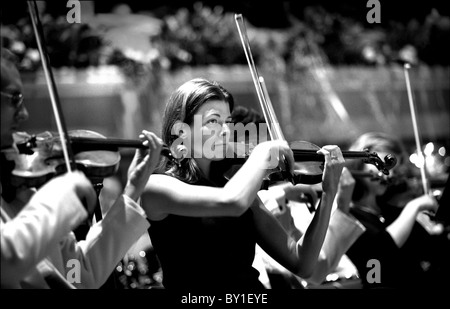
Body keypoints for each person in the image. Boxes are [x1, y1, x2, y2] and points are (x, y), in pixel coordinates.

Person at [140, 78, 345, 289]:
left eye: (228, 122)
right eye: (213, 121)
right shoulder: (156, 187)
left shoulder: (237, 188)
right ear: (181, 131)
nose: (226, 131)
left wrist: (329, 194)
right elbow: (231, 202)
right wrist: (261, 154)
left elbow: (303, 263)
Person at [1, 47, 162, 289]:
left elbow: (81, 274)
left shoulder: (22, 191)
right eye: (14, 99)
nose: (24, 114)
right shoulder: (45, 202)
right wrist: (61, 197)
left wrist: (132, 190)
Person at [230, 105, 365, 288]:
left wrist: (333, 197)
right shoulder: (269, 199)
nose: (273, 165)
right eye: (255, 153)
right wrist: (283, 192)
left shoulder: (272, 203)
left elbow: (313, 266)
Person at [341, 132, 441, 289]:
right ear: (360, 164)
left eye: (392, 166)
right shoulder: (347, 217)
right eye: (380, 163)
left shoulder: (390, 211)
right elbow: (379, 255)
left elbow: (431, 248)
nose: (390, 173)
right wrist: (413, 207)